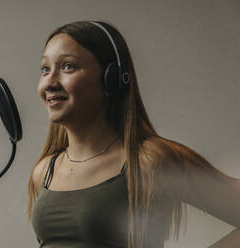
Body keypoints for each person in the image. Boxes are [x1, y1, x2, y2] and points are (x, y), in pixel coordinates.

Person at [27, 20, 240, 248]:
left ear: (112, 77)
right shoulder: (44, 172)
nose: (49, 82)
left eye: (68, 66)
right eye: (45, 69)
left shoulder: (148, 160)